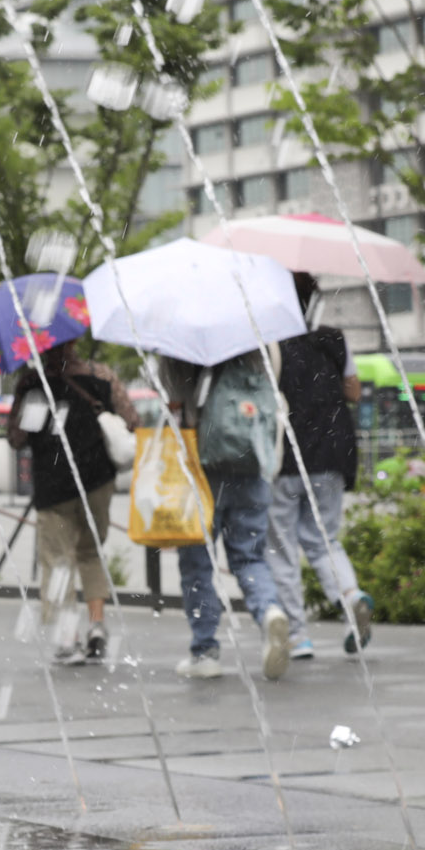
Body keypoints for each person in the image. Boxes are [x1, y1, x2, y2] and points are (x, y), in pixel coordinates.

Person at [4, 339, 139, 663]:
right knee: (90, 553)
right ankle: (95, 626)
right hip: (97, 481)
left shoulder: (33, 383)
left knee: (57, 559)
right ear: (75, 341)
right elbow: (132, 420)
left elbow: (16, 438)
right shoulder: (102, 376)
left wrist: (29, 392)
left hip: (53, 486)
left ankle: (67, 638)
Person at [161, 351, 293, 681]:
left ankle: (205, 651)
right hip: (252, 464)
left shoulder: (183, 345)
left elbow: (175, 404)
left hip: (204, 470)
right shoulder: (258, 341)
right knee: (250, 557)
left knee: (198, 564)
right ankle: (269, 612)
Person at [267, 273, 375, 659]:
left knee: (281, 548)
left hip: (286, 456)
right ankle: (350, 596)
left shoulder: (271, 344)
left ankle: (298, 636)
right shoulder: (332, 338)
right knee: (324, 539)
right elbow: (353, 390)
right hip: (332, 452)